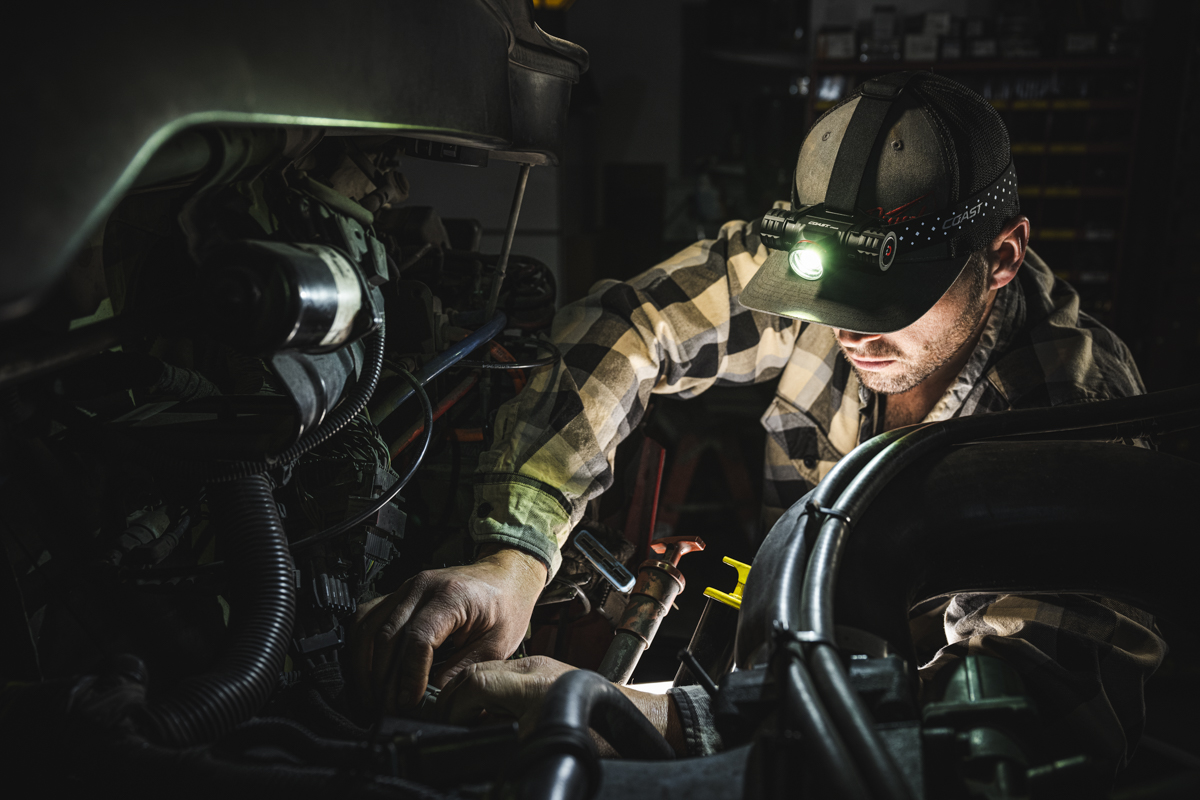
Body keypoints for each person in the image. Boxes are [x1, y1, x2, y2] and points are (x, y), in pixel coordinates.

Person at [351, 72, 1164, 768]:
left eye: (894, 302)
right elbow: (632, 325)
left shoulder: (1073, 423)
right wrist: (517, 556)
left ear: (1003, 258)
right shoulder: (830, 268)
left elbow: (1024, 726)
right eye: (832, 299)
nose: (854, 333)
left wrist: (661, 719)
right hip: (787, 685)